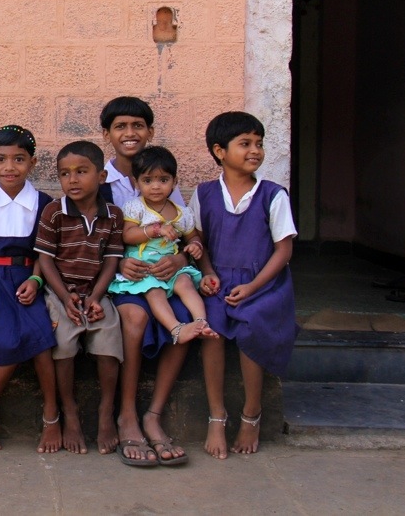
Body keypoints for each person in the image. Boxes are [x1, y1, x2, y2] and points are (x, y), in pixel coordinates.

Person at [191, 111, 297, 459]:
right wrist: (207, 273)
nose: (255, 151)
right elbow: (198, 241)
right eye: (245, 143)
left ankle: (251, 414)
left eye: (259, 144)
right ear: (219, 151)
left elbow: (284, 250)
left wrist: (252, 287)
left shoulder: (272, 195)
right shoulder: (204, 194)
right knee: (211, 328)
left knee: (251, 326)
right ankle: (216, 415)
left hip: (263, 284)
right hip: (218, 281)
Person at [100, 96, 194, 467]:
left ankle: (154, 415)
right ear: (107, 134)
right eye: (120, 126)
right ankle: (126, 414)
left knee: (186, 317)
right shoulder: (99, 181)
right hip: (121, 279)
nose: (130, 133)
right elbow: (89, 237)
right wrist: (119, 263)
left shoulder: (164, 178)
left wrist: (181, 259)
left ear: (150, 131)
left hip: (164, 276)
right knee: (135, 318)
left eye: (138, 125)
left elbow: (185, 231)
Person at [0, 125, 61, 454]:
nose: (10, 167)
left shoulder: (44, 204)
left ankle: (51, 414)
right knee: (6, 341)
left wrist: (36, 281)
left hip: (29, 279)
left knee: (42, 342)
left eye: (19, 159)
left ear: (33, 163)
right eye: (1, 159)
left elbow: (44, 253)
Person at [36, 141, 125, 456]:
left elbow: (112, 260)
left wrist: (97, 297)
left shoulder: (113, 215)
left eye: (81, 172)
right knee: (62, 344)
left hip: (97, 292)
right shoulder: (54, 212)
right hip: (60, 292)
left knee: (109, 341)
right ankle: (70, 411)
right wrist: (65, 297)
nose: (72, 180)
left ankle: (106, 411)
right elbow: (45, 260)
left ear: (101, 176)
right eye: (65, 173)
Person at [107, 146, 218, 346]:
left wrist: (194, 245)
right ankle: (176, 329)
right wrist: (155, 230)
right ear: (136, 182)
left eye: (163, 180)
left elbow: (193, 237)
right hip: (145, 268)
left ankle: (201, 323)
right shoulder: (136, 207)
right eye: (148, 180)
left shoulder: (182, 213)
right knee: (155, 291)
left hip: (171, 267)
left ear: (175, 182)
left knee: (185, 282)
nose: (156, 187)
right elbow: (127, 235)